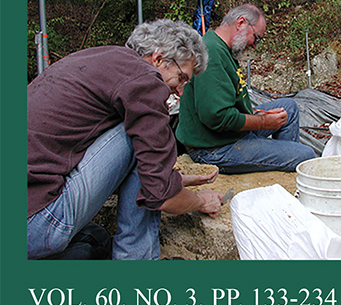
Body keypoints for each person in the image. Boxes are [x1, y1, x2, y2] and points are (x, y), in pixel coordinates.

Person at [28, 18, 223, 261]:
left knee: (143, 138)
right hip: (40, 222)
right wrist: (200, 201)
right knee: (140, 135)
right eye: (181, 78)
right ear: (158, 58)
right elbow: (161, 196)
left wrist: (176, 179)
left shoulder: (102, 60)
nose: (181, 91)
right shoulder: (145, 81)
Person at [178, 3, 315, 173]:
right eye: (256, 38)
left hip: (229, 135)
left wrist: (256, 114)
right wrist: (263, 122)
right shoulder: (212, 53)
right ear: (241, 23)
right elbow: (217, 117)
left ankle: (283, 161)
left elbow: (228, 105)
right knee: (305, 155)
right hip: (213, 148)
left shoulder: (223, 48)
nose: (255, 46)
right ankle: (287, 160)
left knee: (289, 107)